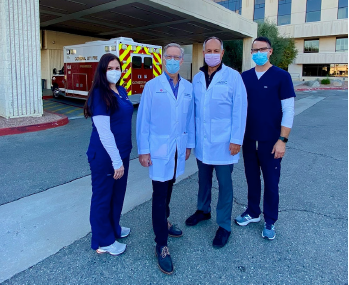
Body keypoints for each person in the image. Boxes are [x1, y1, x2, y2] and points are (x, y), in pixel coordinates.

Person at [136, 43, 195, 274]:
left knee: (169, 186)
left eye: (176, 57)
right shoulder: (152, 86)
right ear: (163, 59)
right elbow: (143, 120)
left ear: (182, 61)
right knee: (159, 194)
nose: (172, 60)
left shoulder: (188, 87)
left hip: (178, 148)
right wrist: (144, 150)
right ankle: (161, 244)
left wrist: (189, 144)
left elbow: (189, 118)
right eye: (168, 56)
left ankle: (165, 222)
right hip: (158, 149)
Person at [185, 37, 247, 248]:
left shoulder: (233, 77)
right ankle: (203, 210)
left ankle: (224, 226)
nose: (212, 54)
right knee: (203, 180)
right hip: (203, 143)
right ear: (204, 53)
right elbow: (193, 111)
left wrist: (236, 140)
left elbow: (240, 110)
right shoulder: (197, 78)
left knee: (225, 185)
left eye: (216, 50)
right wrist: (190, 140)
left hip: (224, 144)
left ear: (222, 53)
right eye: (208, 50)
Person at [235, 36, 295, 240]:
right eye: (254, 50)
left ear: (270, 51)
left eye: (262, 49)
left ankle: (270, 220)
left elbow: (288, 111)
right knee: (252, 179)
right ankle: (252, 212)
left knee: (271, 182)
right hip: (249, 140)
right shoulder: (245, 77)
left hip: (271, 141)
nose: (258, 53)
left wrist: (282, 140)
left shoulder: (281, 76)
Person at [84, 53, 134, 255]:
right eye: (110, 68)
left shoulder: (121, 90)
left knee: (117, 195)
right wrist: (116, 161)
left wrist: (121, 159)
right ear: (102, 72)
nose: (115, 71)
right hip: (106, 157)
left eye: (117, 67)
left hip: (121, 154)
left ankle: (114, 228)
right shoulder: (99, 94)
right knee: (103, 197)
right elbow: (104, 132)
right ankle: (103, 241)